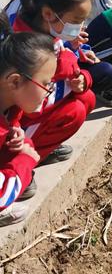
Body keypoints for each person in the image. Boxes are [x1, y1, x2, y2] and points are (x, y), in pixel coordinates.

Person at [13, 0, 99, 164]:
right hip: (18, 120)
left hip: (41, 103)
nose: (80, 27)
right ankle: (19, 160)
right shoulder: (25, 47)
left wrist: (82, 79)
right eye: (77, 20)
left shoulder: (51, 33)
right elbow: (30, 106)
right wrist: (66, 69)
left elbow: (72, 68)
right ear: (49, 14)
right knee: (74, 111)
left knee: (86, 97)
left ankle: (42, 147)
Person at [0, 12, 56, 226]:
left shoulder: (8, 105)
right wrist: (25, 161)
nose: (49, 91)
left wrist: (14, 129)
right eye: (46, 83)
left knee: (24, 142)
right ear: (14, 82)